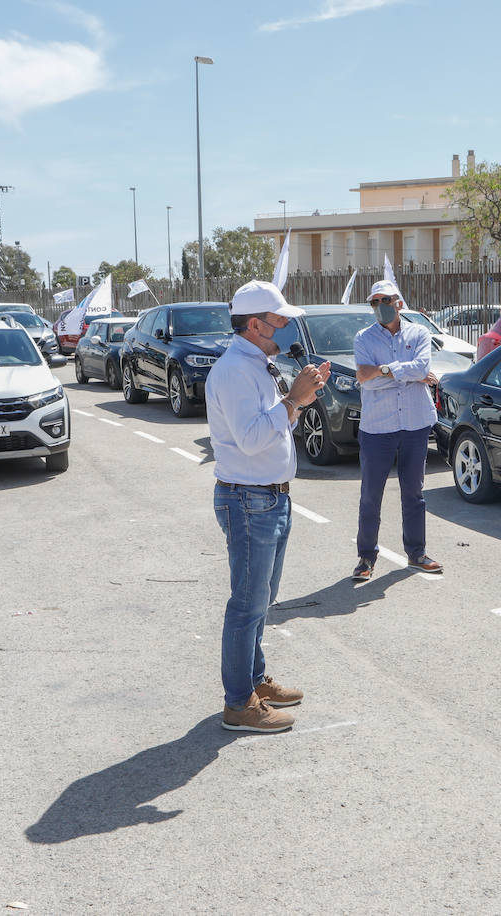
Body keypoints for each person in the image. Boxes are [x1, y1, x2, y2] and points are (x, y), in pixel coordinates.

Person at [206, 279, 330, 733]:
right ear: (256, 324)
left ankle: (253, 681)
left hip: (268, 496)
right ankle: (239, 704)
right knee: (247, 604)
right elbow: (253, 438)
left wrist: (299, 398)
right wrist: (294, 398)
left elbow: (274, 428)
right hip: (249, 499)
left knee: (261, 600)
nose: (287, 329)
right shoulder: (235, 370)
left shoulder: (257, 364)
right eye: (280, 321)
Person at [350, 280, 443, 582]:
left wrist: (385, 370)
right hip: (378, 427)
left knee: (414, 493)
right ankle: (366, 557)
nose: (380, 306)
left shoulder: (419, 333)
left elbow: (422, 368)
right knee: (370, 496)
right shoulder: (363, 337)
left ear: (399, 303)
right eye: (374, 302)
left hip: (415, 424)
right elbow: (365, 377)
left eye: (385, 300)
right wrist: (406, 373)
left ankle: (417, 553)